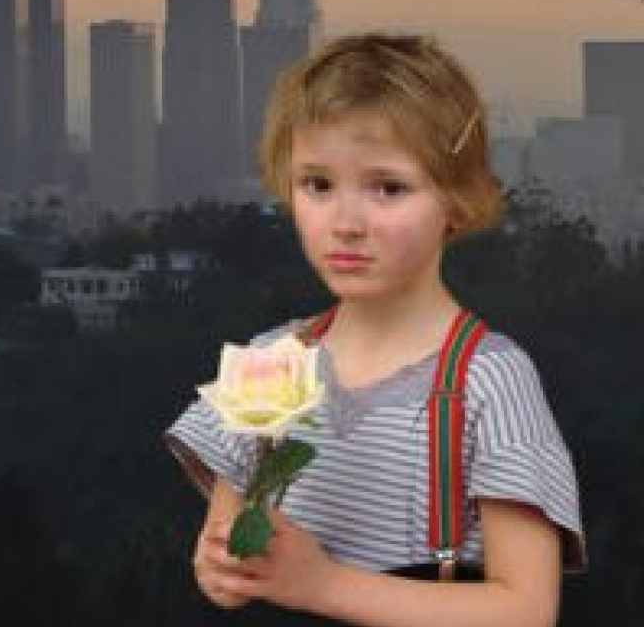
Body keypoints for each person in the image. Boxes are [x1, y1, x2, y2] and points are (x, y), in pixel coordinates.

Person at [163, 33, 587, 627]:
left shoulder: (490, 380)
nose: (346, 223)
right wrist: (221, 568)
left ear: (458, 201)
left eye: (388, 188)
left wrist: (324, 585)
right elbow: (225, 572)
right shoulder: (268, 362)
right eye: (318, 185)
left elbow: (526, 610)